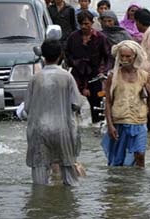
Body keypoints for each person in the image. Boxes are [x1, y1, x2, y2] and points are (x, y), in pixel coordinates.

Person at [24, 39, 85, 185]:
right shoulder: (67, 76)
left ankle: (40, 207)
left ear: (43, 56)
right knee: (69, 175)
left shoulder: (35, 78)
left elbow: (27, 108)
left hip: (38, 129)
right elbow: (76, 103)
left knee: (39, 177)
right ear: (61, 55)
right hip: (62, 129)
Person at [102, 41, 150, 166]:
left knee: (140, 155)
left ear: (135, 57)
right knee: (118, 160)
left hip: (139, 121)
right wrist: (110, 125)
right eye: (122, 56)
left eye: (128, 56)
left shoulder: (144, 76)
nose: (125, 59)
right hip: (119, 121)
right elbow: (108, 102)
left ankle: (139, 181)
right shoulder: (113, 76)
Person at [65, 11, 110, 124]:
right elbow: (67, 54)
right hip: (77, 74)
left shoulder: (101, 38)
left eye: (87, 24)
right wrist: (74, 63)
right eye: (82, 24)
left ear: (92, 23)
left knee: (97, 104)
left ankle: (97, 126)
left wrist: (103, 71)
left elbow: (108, 57)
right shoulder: (73, 37)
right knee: (74, 104)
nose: (84, 27)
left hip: (95, 75)